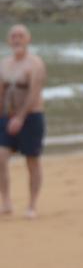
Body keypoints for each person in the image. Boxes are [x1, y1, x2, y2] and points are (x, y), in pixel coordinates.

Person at [1, 24, 47, 219]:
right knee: (0, 158)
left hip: (31, 117)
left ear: (28, 39)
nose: (17, 39)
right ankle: (6, 202)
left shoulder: (35, 64)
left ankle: (32, 205)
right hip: (7, 117)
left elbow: (33, 92)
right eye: (13, 36)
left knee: (32, 161)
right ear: (8, 40)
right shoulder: (4, 64)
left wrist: (20, 118)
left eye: (21, 35)